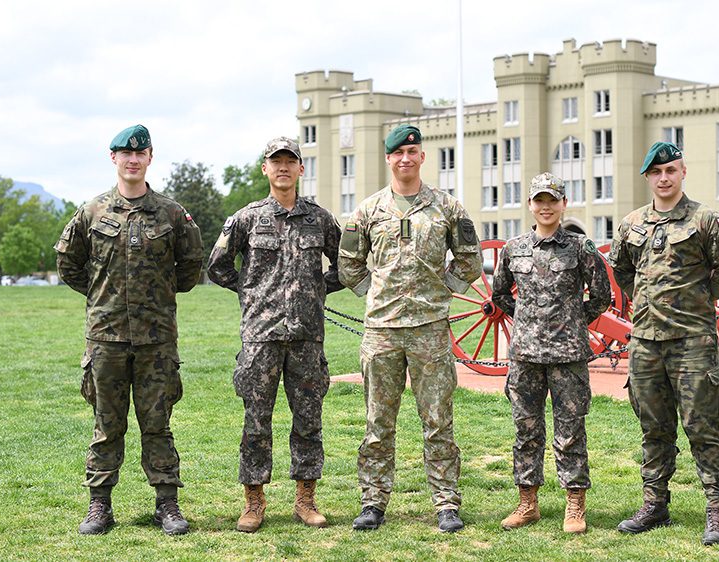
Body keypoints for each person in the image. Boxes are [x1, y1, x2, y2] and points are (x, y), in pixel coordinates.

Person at [54, 124, 203, 536]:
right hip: (107, 337)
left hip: (157, 338)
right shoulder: (92, 211)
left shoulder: (171, 213)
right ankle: (99, 505)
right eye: (125, 153)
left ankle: (167, 504)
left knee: (157, 423)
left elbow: (191, 268)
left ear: (150, 158)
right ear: (113, 158)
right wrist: (102, 295)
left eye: (140, 153)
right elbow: (68, 263)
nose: (132, 159)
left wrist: (155, 295)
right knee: (107, 424)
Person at [338, 124, 483, 533]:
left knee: (438, 420)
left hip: (430, 330)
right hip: (381, 331)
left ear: (422, 157)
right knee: (377, 422)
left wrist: (443, 292)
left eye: (412, 152)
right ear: (388, 159)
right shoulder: (368, 211)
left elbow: (470, 261)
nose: (405, 159)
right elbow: (348, 265)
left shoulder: (447, 208)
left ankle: (446, 503)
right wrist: (375, 295)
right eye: (397, 153)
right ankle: (373, 501)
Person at [608, 141, 719, 545]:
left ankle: (716, 507)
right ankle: (655, 503)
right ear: (648, 177)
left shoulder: (706, 220)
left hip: (692, 342)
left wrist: (694, 302)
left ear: (683, 172)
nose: (664, 178)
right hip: (646, 342)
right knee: (653, 427)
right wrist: (650, 304)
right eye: (656, 173)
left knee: (703, 426)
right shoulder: (631, 224)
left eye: (671, 171)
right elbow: (622, 270)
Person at [207, 137, 343, 533]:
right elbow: (217, 265)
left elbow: (347, 263)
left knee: (308, 420)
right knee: (256, 422)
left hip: (306, 336)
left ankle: (305, 499)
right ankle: (253, 501)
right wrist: (250, 291)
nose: (283, 168)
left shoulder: (319, 219)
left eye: (290, 161)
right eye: (275, 162)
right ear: (265, 169)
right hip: (261, 337)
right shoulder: (247, 219)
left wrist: (317, 287)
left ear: (301, 169)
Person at [491, 172, 611, 533]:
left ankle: (574, 505)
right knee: (526, 430)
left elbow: (602, 295)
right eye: (539, 200)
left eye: (552, 200)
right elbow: (499, 294)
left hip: (567, 357)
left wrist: (574, 320)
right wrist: (527, 320)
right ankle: (528, 503)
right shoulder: (514, 249)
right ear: (530, 205)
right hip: (525, 356)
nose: (546, 207)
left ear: (563, 204)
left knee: (571, 430)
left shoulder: (580, 248)